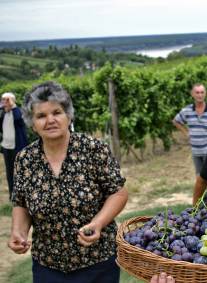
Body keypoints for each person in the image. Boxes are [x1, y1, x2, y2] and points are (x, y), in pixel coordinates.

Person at [8, 81, 128, 283]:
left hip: (97, 261)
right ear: (32, 123)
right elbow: (21, 203)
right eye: (41, 116)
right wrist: (18, 232)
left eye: (57, 112)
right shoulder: (25, 159)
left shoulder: (93, 149)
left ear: (68, 115)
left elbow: (118, 192)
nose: (50, 120)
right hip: (48, 265)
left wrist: (97, 224)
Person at [173, 83, 207, 205]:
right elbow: (176, 121)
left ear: (205, 94)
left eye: (202, 92)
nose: (200, 95)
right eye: (197, 92)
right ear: (192, 94)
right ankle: (203, 206)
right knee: (200, 180)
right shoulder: (187, 111)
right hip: (196, 153)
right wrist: (186, 133)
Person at [0, 92, 29, 200]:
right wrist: (4, 109)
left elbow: (19, 120)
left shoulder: (18, 112)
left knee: (20, 171)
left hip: (18, 147)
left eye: (6, 100)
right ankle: (12, 195)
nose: (4, 102)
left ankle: (23, 194)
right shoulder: (4, 113)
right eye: (3, 100)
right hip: (7, 147)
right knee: (9, 172)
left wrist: (13, 106)